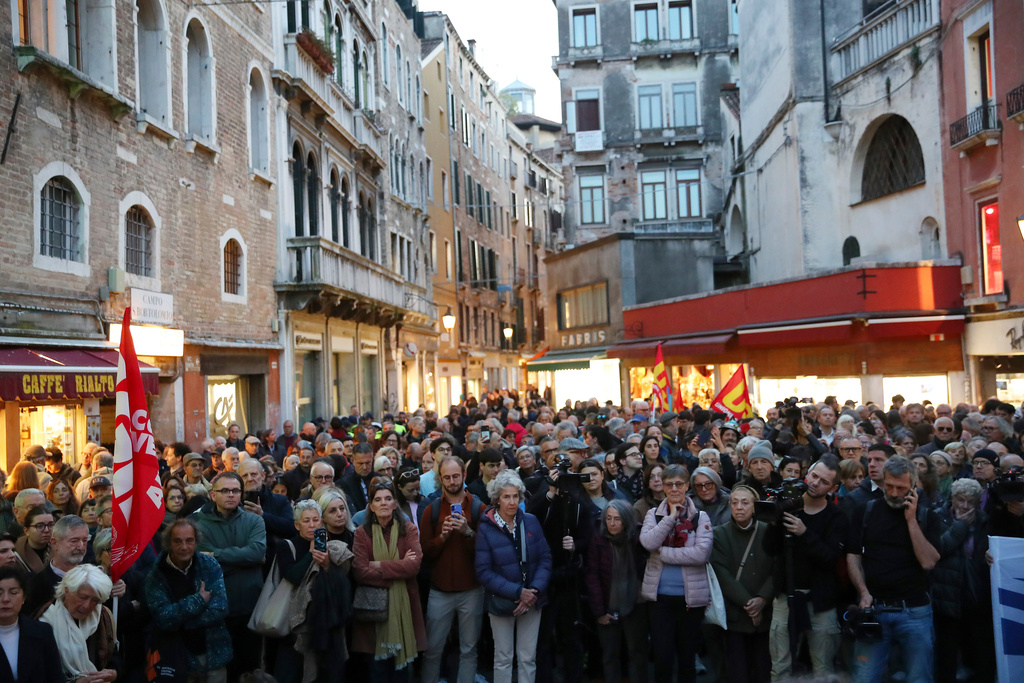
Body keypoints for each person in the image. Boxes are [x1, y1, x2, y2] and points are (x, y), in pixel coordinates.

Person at [846, 456, 942, 683]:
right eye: (889, 486)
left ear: (913, 486)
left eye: (901, 488)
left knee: (919, 678)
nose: (894, 493)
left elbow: (928, 562)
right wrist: (863, 592)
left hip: (915, 611)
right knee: (864, 677)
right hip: (874, 609)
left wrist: (911, 521)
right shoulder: (865, 511)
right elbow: (853, 556)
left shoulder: (927, 515)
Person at [763, 456, 847, 679]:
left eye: (824, 481)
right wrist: (773, 524)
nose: (815, 483)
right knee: (780, 667)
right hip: (785, 597)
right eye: (814, 476)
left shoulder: (837, 516)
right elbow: (769, 550)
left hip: (820, 602)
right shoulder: (787, 506)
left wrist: (804, 533)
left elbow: (831, 558)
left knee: (823, 669)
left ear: (833, 488)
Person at [475, 470, 552, 683]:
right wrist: (518, 592)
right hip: (501, 602)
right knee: (503, 658)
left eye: (515, 496)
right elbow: (483, 571)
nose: (511, 501)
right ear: (496, 499)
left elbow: (545, 559)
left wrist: (532, 592)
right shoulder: (486, 528)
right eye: (506, 496)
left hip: (533, 600)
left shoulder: (531, 521)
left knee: (528, 658)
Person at [638, 464, 712, 683]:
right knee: (662, 657)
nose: (674, 488)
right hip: (659, 598)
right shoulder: (654, 514)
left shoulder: (701, 517)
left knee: (687, 658)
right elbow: (648, 542)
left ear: (687, 486)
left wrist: (664, 553)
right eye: (669, 484)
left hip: (690, 599)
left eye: (679, 484)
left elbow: (701, 554)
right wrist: (671, 517)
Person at [191, 472, 267, 680]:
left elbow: (257, 553)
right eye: (225, 490)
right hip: (215, 608)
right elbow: (204, 562)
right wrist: (243, 560)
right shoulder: (198, 524)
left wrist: (217, 554)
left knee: (249, 668)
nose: (231, 495)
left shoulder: (254, 521)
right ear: (213, 495)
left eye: (235, 490)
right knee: (219, 671)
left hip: (249, 606)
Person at [352, 478, 426, 680]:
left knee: (401, 674)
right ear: (371, 506)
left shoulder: (408, 529)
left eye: (388, 498)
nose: (383, 503)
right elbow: (360, 571)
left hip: (405, 609)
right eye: (378, 499)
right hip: (373, 612)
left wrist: (379, 566)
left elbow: (414, 566)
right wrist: (399, 568)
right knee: (377, 672)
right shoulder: (361, 533)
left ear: (395, 504)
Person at [419, 456, 484, 683]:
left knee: (469, 650)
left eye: (456, 476)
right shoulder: (432, 509)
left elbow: (486, 552)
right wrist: (443, 537)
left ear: (464, 476)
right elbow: (424, 553)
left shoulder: (478, 507)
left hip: (472, 589)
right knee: (432, 650)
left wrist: (467, 532)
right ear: (440, 479)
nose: (452, 481)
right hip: (440, 590)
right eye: (447, 477)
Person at [273, 499, 354, 683]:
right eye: (306, 521)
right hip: (294, 623)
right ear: (297, 524)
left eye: (316, 520)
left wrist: (327, 565)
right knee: (292, 672)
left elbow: (344, 581)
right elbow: (292, 576)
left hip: (326, 620)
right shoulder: (287, 546)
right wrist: (311, 553)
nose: (312, 525)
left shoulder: (333, 546)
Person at [144, 518, 232, 683]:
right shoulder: (156, 575)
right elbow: (163, 618)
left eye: (189, 541)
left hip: (214, 654)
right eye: (178, 541)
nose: (184, 547)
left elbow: (220, 608)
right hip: (177, 659)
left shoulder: (209, 565)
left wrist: (179, 622)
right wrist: (198, 600)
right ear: (169, 543)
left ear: (196, 541)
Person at [932, 478, 995, 683]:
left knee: (980, 654)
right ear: (952, 499)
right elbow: (938, 550)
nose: (965, 506)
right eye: (961, 500)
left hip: (976, 597)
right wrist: (960, 526)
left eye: (971, 501)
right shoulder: (937, 517)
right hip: (946, 598)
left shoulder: (985, 520)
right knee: (947, 655)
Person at [712, 485, 774, 683]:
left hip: (766, 615)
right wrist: (749, 604)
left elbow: (777, 569)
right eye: (734, 502)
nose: (739, 507)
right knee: (739, 672)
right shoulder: (719, 534)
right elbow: (721, 574)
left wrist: (763, 599)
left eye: (745, 502)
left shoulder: (768, 532)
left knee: (764, 670)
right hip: (736, 615)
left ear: (755, 507)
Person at [584, 499, 648, 683]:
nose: (612, 524)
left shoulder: (638, 538)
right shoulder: (598, 538)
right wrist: (600, 612)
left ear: (627, 520)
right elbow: (592, 576)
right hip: (607, 604)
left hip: (636, 603)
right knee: (610, 655)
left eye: (617, 519)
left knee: (637, 654)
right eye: (609, 519)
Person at [40, 564, 117, 683]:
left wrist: (113, 672)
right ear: (67, 591)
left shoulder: (103, 617)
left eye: (95, 600)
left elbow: (115, 656)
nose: (87, 606)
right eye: (82, 597)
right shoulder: (44, 623)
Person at [0, 565, 64, 682]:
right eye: (0, 593)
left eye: (13, 593)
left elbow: (56, 677)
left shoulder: (42, 632)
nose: (5, 599)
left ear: (23, 597)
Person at [25, 514, 89, 616]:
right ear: (54, 543)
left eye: (84, 540)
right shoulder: (36, 585)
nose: (81, 547)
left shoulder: (93, 579)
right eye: (74, 541)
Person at [14, 507, 52, 574]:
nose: (46, 530)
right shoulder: (16, 553)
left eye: (51, 525)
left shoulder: (59, 547)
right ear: (26, 531)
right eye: (39, 526)